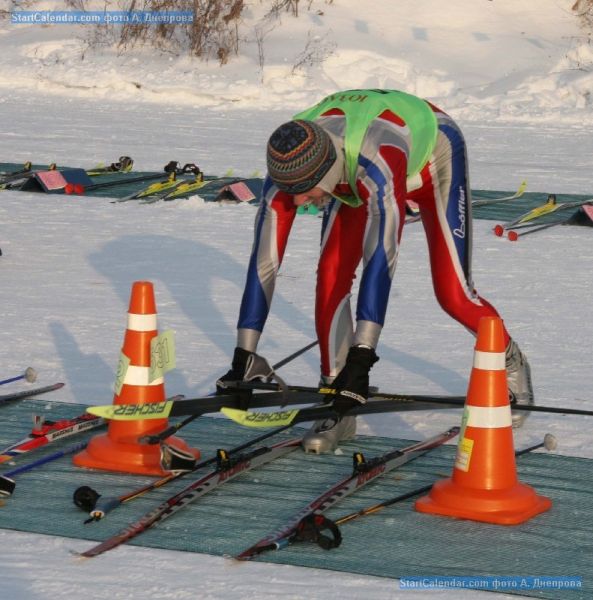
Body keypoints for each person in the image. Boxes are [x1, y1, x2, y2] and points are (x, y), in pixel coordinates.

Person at [217, 88, 533, 453]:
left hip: (432, 156)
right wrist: (245, 353)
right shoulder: (288, 170)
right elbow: (265, 261)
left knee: (453, 293)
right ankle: (336, 400)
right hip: (347, 167)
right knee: (331, 278)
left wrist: (362, 357)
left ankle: (512, 364)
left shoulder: (379, 160)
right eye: (293, 194)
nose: (301, 203)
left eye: (305, 193)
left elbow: (380, 260)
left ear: (325, 172)